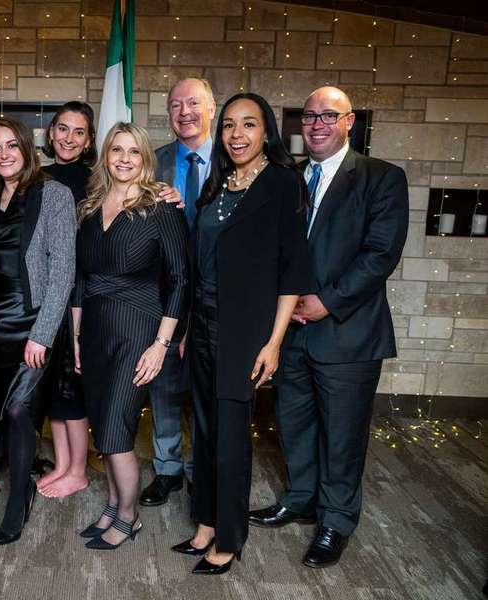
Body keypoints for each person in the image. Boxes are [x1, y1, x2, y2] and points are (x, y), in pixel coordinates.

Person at [249, 86, 408, 569]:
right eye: (309, 116)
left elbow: (381, 254)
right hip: (291, 330)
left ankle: (335, 521)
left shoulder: (381, 178)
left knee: (342, 435)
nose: (316, 124)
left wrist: (327, 302)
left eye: (327, 116)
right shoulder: (289, 177)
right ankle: (300, 499)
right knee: (294, 423)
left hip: (348, 333)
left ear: (349, 121)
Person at [173, 93, 311, 575]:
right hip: (203, 324)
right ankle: (206, 522)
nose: (237, 134)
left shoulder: (282, 183)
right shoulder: (218, 182)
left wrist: (273, 343)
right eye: (229, 125)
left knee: (231, 436)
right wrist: (188, 325)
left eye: (249, 124)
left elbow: (292, 271)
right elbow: (200, 261)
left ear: (266, 131)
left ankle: (229, 538)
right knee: (204, 429)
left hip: (245, 331)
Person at [74, 122, 189, 550]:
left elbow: (180, 280)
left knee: (117, 429)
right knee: (102, 424)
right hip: (95, 330)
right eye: (116, 150)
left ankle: (128, 516)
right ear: (105, 156)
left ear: (145, 158)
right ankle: (113, 504)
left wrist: (161, 344)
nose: (124, 159)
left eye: (133, 151)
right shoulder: (89, 208)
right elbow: (80, 281)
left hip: (138, 329)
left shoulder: (161, 208)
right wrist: (76, 337)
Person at [0, 117, 76, 545]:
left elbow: (63, 270)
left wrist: (43, 333)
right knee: (4, 409)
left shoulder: (54, 193)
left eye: (11, 146)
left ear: (27, 148)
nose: (4, 155)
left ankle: (19, 500)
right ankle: (22, 472)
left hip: (34, 317)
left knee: (20, 409)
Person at [140, 78, 216, 508]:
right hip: (165, 293)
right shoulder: (153, 162)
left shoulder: (234, 159)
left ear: (211, 108)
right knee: (164, 384)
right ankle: (167, 468)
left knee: (208, 388)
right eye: (175, 105)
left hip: (218, 295)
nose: (184, 112)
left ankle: (201, 468)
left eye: (193, 103)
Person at [35, 101, 96, 500]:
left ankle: (78, 469)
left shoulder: (98, 181)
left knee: (74, 383)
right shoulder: (37, 178)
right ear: (51, 132)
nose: (68, 138)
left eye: (78, 132)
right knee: (53, 385)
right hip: (47, 296)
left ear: (89, 140)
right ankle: (61, 463)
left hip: (82, 293)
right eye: (62, 128)